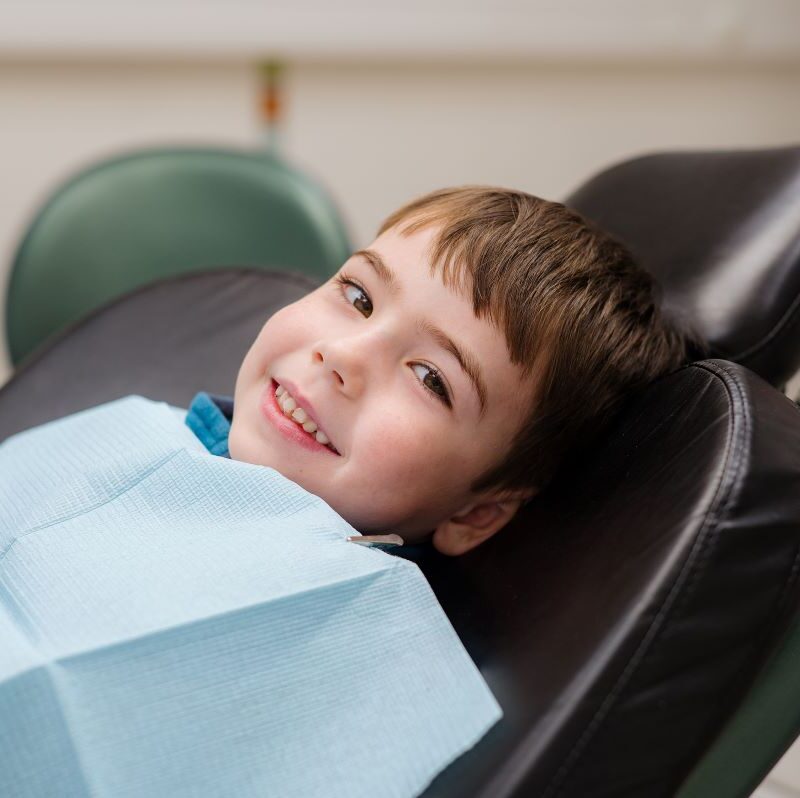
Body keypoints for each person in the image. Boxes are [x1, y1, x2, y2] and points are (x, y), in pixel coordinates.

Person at [189, 186, 702, 556]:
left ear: (475, 514)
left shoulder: (355, 652)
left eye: (430, 378)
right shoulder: (169, 429)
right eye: (360, 297)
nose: (343, 355)